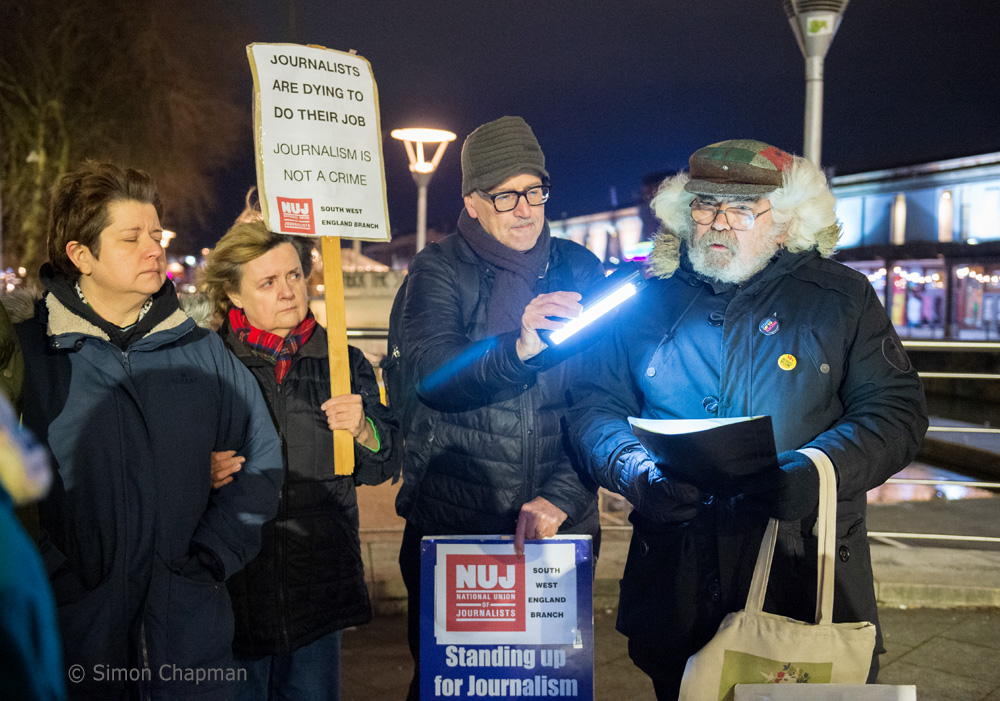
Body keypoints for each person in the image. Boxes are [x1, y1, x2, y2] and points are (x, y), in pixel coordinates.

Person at [567, 139, 928, 699]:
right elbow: (594, 407)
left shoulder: (842, 297)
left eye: (740, 209)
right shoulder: (643, 296)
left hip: (803, 569)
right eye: (706, 205)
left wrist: (813, 472)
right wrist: (634, 471)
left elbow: (897, 413)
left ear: (784, 222)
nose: (718, 223)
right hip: (678, 574)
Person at [16, 161, 284, 700]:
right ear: (80, 255)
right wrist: (54, 579)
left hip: (188, 640)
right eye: (131, 237)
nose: (153, 249)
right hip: (75, 641)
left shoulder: (202, 350)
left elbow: (263, 458)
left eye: (155, 234)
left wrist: (209, 557)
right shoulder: (29, 357)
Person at [394, 115, 606, 697]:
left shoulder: (579, 268)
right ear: (472, 200)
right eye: (506, 194)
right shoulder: (437, 268)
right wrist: (517, 348)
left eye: (535, 191)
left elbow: (606, 400)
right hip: (457, 526)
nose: (525, 208)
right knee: (456, 685)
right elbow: (433, 378)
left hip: (555, 530)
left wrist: (563, 497)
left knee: (545, 686)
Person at [202, 220, 400, 700]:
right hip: (235, 587)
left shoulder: (341, 360)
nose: (289, 291)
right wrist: (196, 472)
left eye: (294, 275)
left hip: (318, 584)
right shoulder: (205, 363)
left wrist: (363, 429)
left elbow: (381, 465)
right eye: (268, 282)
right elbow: (161, 466)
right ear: (233, 294)